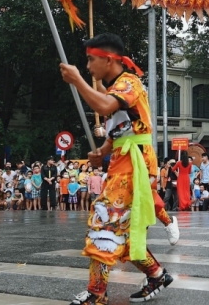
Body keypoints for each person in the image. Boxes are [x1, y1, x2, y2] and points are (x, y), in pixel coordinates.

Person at [59, 33, 173, 304]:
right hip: (124, 163)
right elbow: (121, 132)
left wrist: (78, 81)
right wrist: (101, 153)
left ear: (108, 60)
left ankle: (97, 293)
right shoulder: (115, 87)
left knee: (105, 224)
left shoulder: (128, 83)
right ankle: (156, 274)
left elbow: (105, 105)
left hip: (134, 167)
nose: (88, 66)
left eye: (90, 60)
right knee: (123, 227)